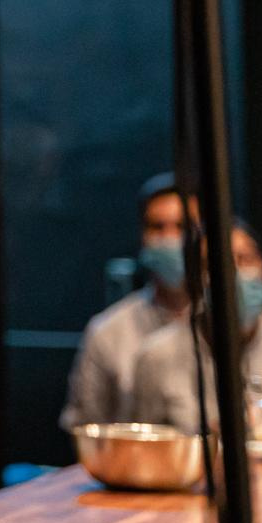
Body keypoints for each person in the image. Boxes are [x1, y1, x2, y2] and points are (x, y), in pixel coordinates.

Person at [129, 218, 262, 432]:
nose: (233, 275)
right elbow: (148, 449)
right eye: (214, 264)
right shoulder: (157, 357)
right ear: (194, 281)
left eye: (244, 259)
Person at [58, 172, 193, 431]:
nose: (170, 239)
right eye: (157, 227)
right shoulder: (107, 332)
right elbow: (86, 428)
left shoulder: (233, 326)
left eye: (183, 227)